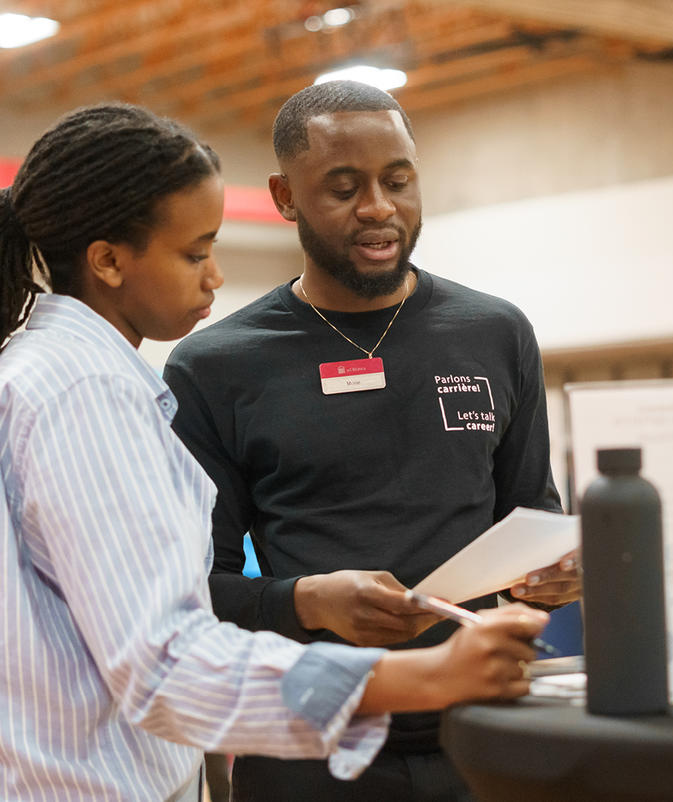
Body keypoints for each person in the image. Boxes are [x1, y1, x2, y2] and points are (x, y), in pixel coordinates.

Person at [0, 103, 546, 801]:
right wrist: (421, 675)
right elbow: (167, 663)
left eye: (398, 180)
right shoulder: (85, 389)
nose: (215, 276)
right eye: (195, 253)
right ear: (107, 261)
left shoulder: (33, 368)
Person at [165, 80, 579, 800]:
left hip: (487, 740)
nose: (379, 208)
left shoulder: (496, 333)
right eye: (344, 186)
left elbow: (531, 524)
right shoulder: (216, 367)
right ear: (284, 196)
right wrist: (307, 602)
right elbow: (193, 593)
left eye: (397, 180)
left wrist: (558, 575)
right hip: (312, 751)